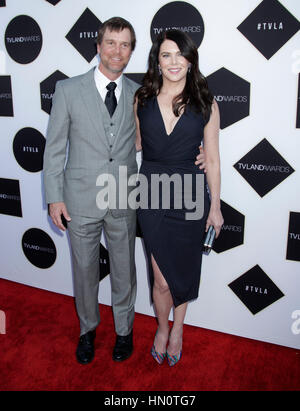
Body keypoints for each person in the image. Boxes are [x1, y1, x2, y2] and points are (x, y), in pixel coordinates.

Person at [43, 17, 206, 366]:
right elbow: (54, 148)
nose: (118, 51)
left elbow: (155, 140)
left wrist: (199, 152)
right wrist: (54, 196)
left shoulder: (142, 92)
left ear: (133, 51)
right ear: (98, 45)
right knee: (84, 271)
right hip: (80, 198)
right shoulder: (67, 90)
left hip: (124, 195)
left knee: (125, 271)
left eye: (126, 44)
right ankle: (87, 331)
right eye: (111, 43)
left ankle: (124, 331)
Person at [134, 29, 224, 366]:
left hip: (189, 193)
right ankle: (161, 326)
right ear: (157, 60)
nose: (174, 62)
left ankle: (179, 330)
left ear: (190, 60)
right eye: (166, 55)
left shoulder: (206, 103)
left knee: (183, 272)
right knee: (161, 278)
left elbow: (212, 158)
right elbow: (137, 144)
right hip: (153, 192)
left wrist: (214, 206)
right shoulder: (141, 99)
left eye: (180, 55)